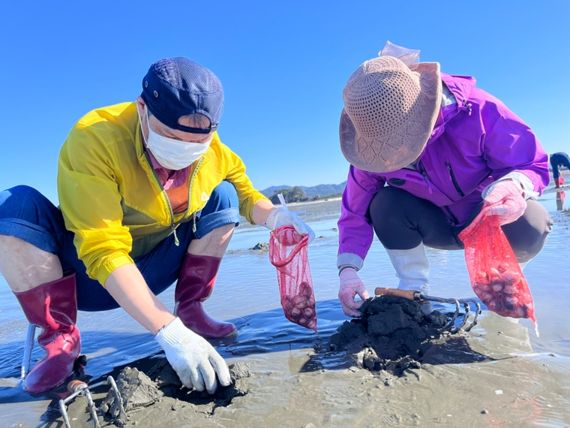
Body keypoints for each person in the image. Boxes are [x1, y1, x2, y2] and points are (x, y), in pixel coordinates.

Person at [0, 57, 313, 395]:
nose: (182, 151)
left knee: (224, 196)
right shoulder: (95, 139)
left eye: (196, 144)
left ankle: (191, 309)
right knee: (13, 206)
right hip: (85, 277)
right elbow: (103, 248)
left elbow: (248, 196)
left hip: (158, 265)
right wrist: (167, 331)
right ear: (142, 107)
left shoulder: (216, 152)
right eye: (169, 136)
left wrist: (276, 217)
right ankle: (59, 338)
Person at [336, 52, 552, 317]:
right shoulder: (369, 153)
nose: (396, 154)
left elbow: (533, 164)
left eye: (402, 141)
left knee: (533, 222)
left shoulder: (479, 110)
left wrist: (515, 185)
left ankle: (504, 283)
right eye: (388, 147)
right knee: (384, 203)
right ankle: (413, 291)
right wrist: (348, 271)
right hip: (435, 226)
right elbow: (353, 212)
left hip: (488, 219)